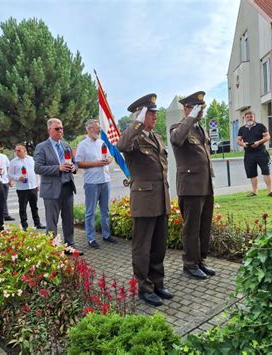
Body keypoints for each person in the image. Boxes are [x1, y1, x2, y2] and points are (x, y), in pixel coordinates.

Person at [116, 93, 173, 306]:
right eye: (150, 113)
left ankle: (157, 282)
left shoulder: (156, 137)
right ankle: (144, 287)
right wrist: (138, 123)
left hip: (160, 199)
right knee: (142, 247)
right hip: (144, 200)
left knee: (159, 246)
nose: (154, 117)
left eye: (154, 113)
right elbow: (122, 145)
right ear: (140, 115)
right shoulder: (132, 137)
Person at [170, 91, 216, 280]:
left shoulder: (200, 129)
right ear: (186, 108)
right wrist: (189, 118)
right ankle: (189, 263)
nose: (201, 112)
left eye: (202, 108)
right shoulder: (178, 127)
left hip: (205, 185)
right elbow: (176, 139)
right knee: (192, 227)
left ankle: (200, 260)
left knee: (204, 225)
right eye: (197, 108)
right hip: (190, 187)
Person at [34, 118, 83, 255]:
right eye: (57, 128)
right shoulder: (41, 147)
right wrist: (58, 168)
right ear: (49, 130)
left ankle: (69, 246)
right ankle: (52, 249)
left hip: (67, 187)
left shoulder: (66, 145)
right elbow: (37, 168)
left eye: (61, 128)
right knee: (52, 222)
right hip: (51, 190)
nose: (60, 131)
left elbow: (75, 163)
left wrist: (74, 167)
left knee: (68, 219)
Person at [76, 119, 116, 248]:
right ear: (89, 129)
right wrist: (96, 163)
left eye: (99, 127)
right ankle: (91, 239)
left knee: (105, 210)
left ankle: (106, 235)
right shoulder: (83, 145)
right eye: (96, 128)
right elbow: (79, 163)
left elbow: (110, 156)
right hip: (92, 182)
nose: (99, 130)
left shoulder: (102, 142)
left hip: (105, 180)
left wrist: (108, 160)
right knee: (90, 211)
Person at [237, 111, 272, 198]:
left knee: (266, 171)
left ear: (254, 117)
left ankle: (270, 191)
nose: (249, 118)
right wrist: (243, 144)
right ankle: (254, 192)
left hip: (261, 152)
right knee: (252, 174)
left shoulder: (260, 126)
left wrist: (258, 142)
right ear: (244, 118)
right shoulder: (242, 129)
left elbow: (267, 137)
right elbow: (238, 140)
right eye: (247, 117)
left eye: (251, 117)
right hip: (249, 153)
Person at [8, 143, 45, 230]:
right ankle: (24, 224)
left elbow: (36, 173)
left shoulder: (32, 159)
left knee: (34, 206)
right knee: (22, 207)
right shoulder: (13, 162)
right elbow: (9, 174)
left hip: (33, 187)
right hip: (22, 188)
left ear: (25, 151)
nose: (16, 152)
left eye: (19, 150)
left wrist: (38, 184)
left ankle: (37, 223)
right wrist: (18, 178)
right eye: (15, 150)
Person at [0, 143, 15, 221]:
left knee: (4, 199)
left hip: (5, 180)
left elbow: (8, 168)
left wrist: (11, 179)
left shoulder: (4, 156)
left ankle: (5, 214)